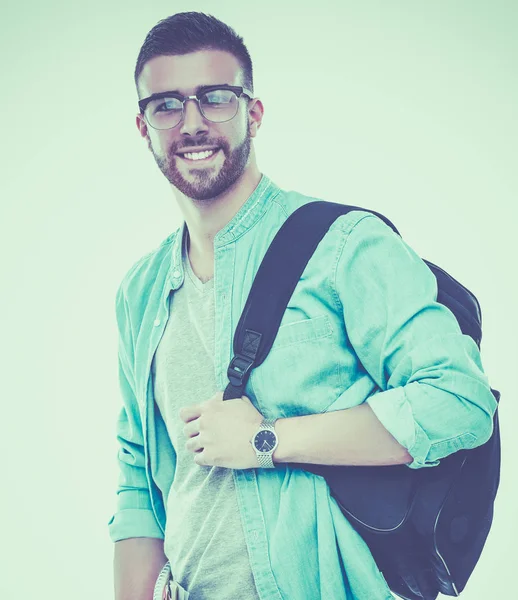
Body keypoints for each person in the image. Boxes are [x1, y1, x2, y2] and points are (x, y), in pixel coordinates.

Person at [109, 11, 497, 600]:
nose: (191, 123)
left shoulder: (346, 245)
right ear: (142, 126)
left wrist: (268, 439)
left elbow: (459, 400)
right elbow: (139, 471)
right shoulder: (140, 292)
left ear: (253, 113)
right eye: (166, 105)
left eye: (215, 98)